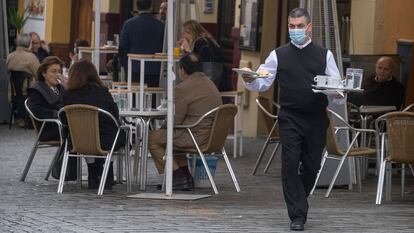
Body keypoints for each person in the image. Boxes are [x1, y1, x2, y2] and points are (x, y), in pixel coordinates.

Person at [242, 8, 341, 231]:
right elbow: (263, 81)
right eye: (291, 26)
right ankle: (297, 215)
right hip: (290, 117)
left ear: (308, 28)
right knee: (289, 163)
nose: (294, 30)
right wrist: (250, 80)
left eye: (298, 26)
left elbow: (337, 89)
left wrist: (337, 94)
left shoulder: (324, 55)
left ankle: (299, 201)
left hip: (316, 118)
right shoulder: (278, 54)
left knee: (312, 165)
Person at [148, 54, 223, 190]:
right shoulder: (210, 83)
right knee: (174, 136)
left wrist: (163, 127)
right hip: (213, 137)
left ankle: (176, 176)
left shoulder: (183, 88)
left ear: (182, 70)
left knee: (153, 138)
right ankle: (186, 176)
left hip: (196, 137)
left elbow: (174, 120)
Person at [63, 60, 126, 189]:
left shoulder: (68, 95)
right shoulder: (102, 92)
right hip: (106, 139)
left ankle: (92, 173)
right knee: (117, 135)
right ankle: (107, 171)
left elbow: (64, 119)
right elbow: (114, 113)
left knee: (87, 138)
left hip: (78, 141)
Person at [119, 0, 164, 86]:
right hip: (155, 68)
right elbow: (163, 47)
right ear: (151, 7)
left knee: (134, 96)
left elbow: (122, 47)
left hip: (134, 67)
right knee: (153, 95)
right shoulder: (160, 25)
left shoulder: (129, 24)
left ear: (137, 7)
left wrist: (125, 65)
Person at [179, 20, 232, 91]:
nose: (182, 36)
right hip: (221, 78)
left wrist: (188, 50)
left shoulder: (201, 42)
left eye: (183, 33)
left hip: (214, 81)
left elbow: (197, 61)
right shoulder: (205, 40)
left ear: (189, 32)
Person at [27, 56, 65, 141]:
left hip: (62, 124)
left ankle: (67, 154)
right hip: (48, 128)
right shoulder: (36, 89)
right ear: (44, 73)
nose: (57, 75)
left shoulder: (60, 88)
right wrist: (58, 113)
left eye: (59, 72)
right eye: (53, 71)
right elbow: (36, 110)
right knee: (77, 132)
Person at [6, 33, 40, 127]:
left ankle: (20, 118)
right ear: (30, 44)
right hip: (28, 93)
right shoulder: (31, 58)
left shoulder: (10, 56)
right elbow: (39, 74)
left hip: (13, 93)